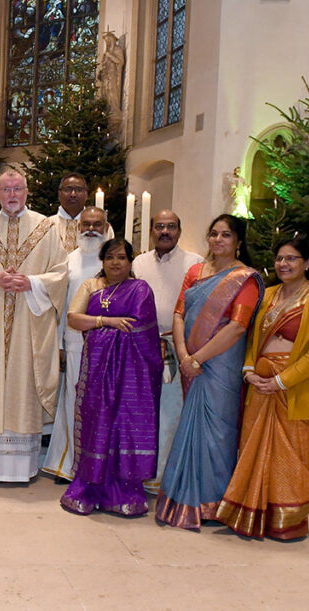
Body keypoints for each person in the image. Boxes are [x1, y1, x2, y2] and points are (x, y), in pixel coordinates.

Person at [216, 237, 309, 540]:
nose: (283, 264)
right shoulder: (268, 294)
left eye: (292, 259)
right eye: (280, 258)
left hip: (295, 387)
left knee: (292, 453)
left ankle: (287, 522)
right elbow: (251, 339)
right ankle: (251, 514)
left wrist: (282, 381)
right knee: (253, 450)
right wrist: (248, 370)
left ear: (307, 263)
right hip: (260, 382)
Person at [0, 169, 68, 483]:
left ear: (27, 191)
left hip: (29, 325)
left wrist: (31, 282)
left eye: (17, 188)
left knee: (23, 383)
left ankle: (25, 467)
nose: (11, 195)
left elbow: (61, 273)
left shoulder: (46, 228)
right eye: (5, 189)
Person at [155, 213, 263, 530]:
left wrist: (198, 358)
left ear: (239, 242)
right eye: (213, 234)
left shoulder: (245, 278)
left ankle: (214, 501)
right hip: (192, 361)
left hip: (221, 365)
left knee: (218, 431)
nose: (218, 240)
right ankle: (185, 497)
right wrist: (186, 355)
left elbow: (238, 328)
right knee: (192, 426)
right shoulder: (195, 271)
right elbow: (178, 315)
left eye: (226, 235)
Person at [59, 238, 163, 515]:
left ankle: (123, 491)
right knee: (97, 421)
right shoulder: (92, 286)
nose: (115, 263)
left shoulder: (140, 289)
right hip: (96, 371)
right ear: (102, 261)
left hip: (132, 377)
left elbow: (139, 328)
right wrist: (108, 322)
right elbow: (73, 317)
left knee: (124, 423)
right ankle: (90, 488)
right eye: (110, 257)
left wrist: (99, 326)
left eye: (121, 258)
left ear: (130, 262)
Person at [132, 210, 202, 494]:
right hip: (141, 344)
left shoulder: (194, 263)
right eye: (159, 226)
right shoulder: (139, 262)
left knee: (171, 412)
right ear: (151, 231)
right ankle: (141, 470)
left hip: (176, 345)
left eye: (171, 226)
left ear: (179, 230)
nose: (165, 232)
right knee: (142, 409)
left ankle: (164, 476)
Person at [43, 206, 108, 482]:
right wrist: (57, 344)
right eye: (86, 224)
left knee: (103, 403)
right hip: (73, 343)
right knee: (72, 401)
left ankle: (99, 465)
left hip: (108, 346)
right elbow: (57, 308)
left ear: (106, 228)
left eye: (97, 224)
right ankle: (69, 463)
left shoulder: (115, 262)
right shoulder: (67, 262)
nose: (91, 229)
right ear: (78, 228)